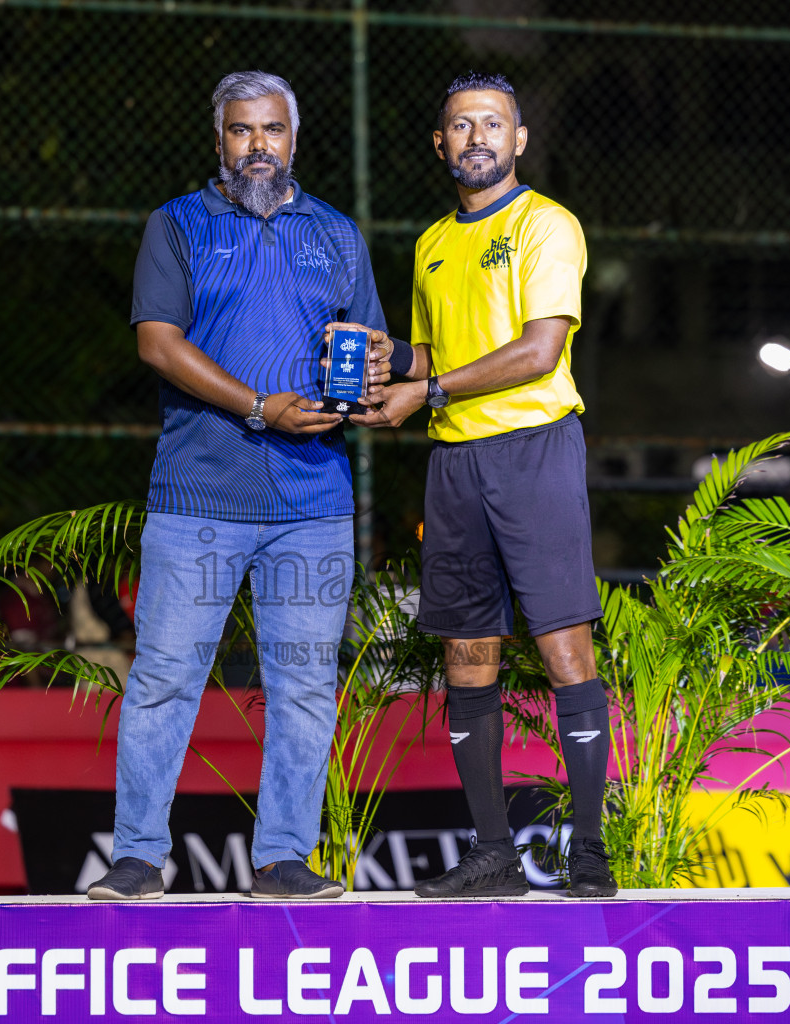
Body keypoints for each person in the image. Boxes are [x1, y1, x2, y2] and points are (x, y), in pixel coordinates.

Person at [86, 71, 391, 901]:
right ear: (218, 140)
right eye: (240, 131)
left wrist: (368, 381)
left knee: (303, 684)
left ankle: (284, 859)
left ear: (295, 138)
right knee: (162, 680)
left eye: (272, 131)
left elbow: (369, 346)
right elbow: (157, 344)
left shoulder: (335, 233)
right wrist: (262, 407)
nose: (258, 145)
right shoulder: (178, 224)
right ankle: (140, 858)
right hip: (196, 502)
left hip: (313, 507)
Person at [354, 71, 616, 898]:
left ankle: (588, 853)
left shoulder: (547, 225)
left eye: (492, 124)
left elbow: (540, 350)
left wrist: (424, 390)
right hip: (456, 464)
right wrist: (386, 358)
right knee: (468, 656)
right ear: (441, 144)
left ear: (519, 140)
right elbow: (437, 354)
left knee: (563, 646)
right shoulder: (434, 243)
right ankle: (493, 854)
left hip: (534, 450)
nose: (476, 137)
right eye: (461, 126)